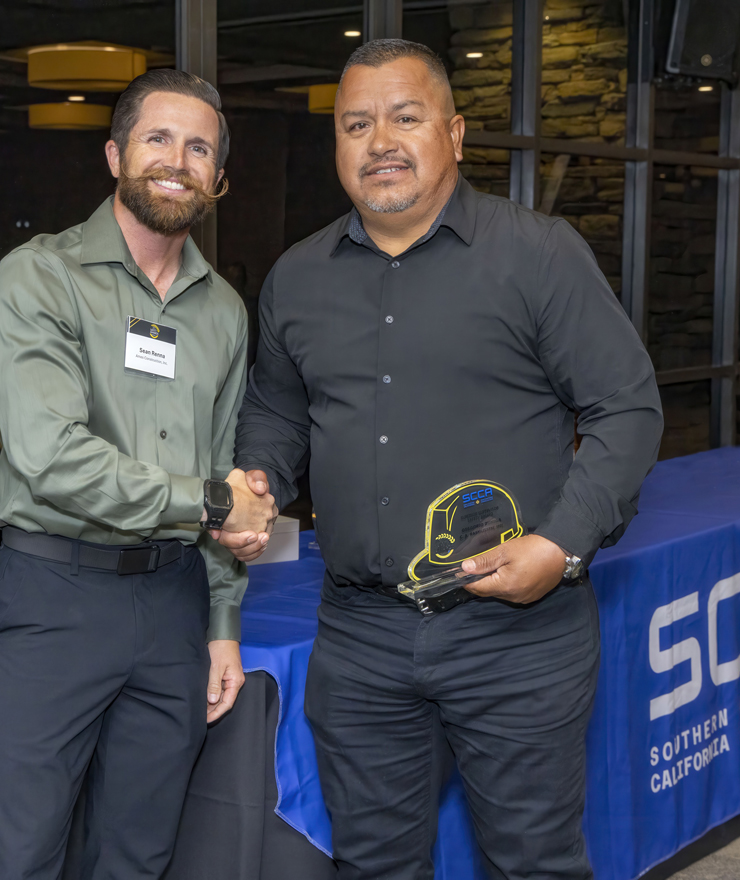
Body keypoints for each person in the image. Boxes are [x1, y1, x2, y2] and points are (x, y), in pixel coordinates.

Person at [222, 40, 664, 880]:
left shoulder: (539, 255)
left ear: (454, 134)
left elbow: (628, 409)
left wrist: (561, 545)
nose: (380, 141)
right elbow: (277, 410)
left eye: (405, 117)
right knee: (373, 865)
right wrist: (258, 477)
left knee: (533, 863)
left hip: (516, 636)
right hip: (360, 636)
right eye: (357, 124)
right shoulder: (297, 277)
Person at [0, 68, 277, 880]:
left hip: (174, 601)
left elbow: (221, 461)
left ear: (218, 177)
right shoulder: (40, 277)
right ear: (115, 155)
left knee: (140, 853)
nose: (177, 160)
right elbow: (50, 456)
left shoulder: (223, 311)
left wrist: (223, 623)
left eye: (199, 148)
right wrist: (214, 504)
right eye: (158, 138)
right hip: (57, 597)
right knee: (25, 853)